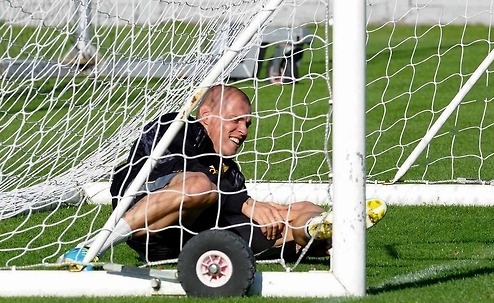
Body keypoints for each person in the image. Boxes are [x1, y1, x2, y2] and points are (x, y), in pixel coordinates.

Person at [64, 85, 387, 267]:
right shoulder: (174, 128)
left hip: (199, 239)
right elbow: (189, 179)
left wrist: (272, 213)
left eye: (247, 123)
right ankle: (91, 248)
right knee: (199, 186)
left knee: (296, 209)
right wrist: (246, 203)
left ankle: (323, 231)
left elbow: (237, 202)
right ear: (207, 115)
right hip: (155, 231)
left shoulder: (229, 169)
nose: (243, 130)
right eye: (236, 120)